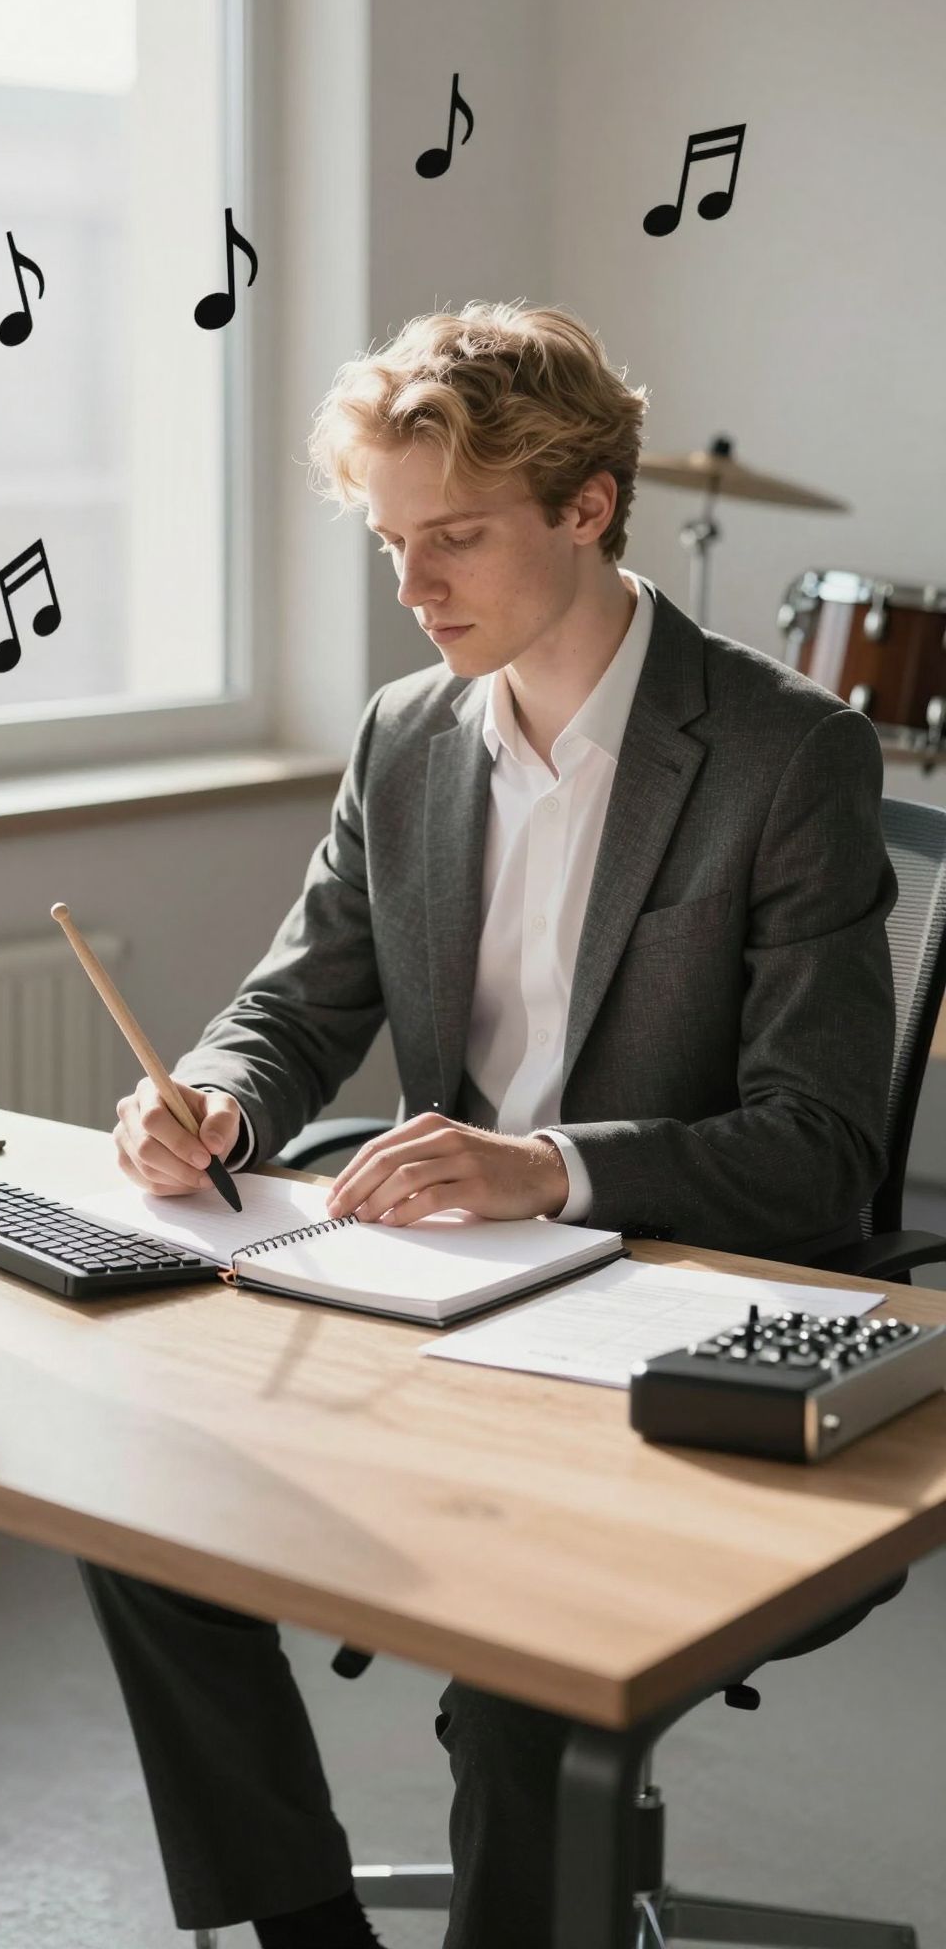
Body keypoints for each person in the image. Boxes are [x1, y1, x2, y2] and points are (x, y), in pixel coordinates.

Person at [78, 301, 897, 1948]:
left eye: (451, 537)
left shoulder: (785, 754)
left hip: (661, 1303)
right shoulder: (405, 737)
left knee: (535, 1666)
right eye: (391, 541)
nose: (411, 587)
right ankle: (305, 1929)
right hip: (427, 1292)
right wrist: (220, 1099)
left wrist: (545, 1164)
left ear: (589, 505)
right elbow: (299, 1001)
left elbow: (818, 1147)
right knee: (128, 1500)